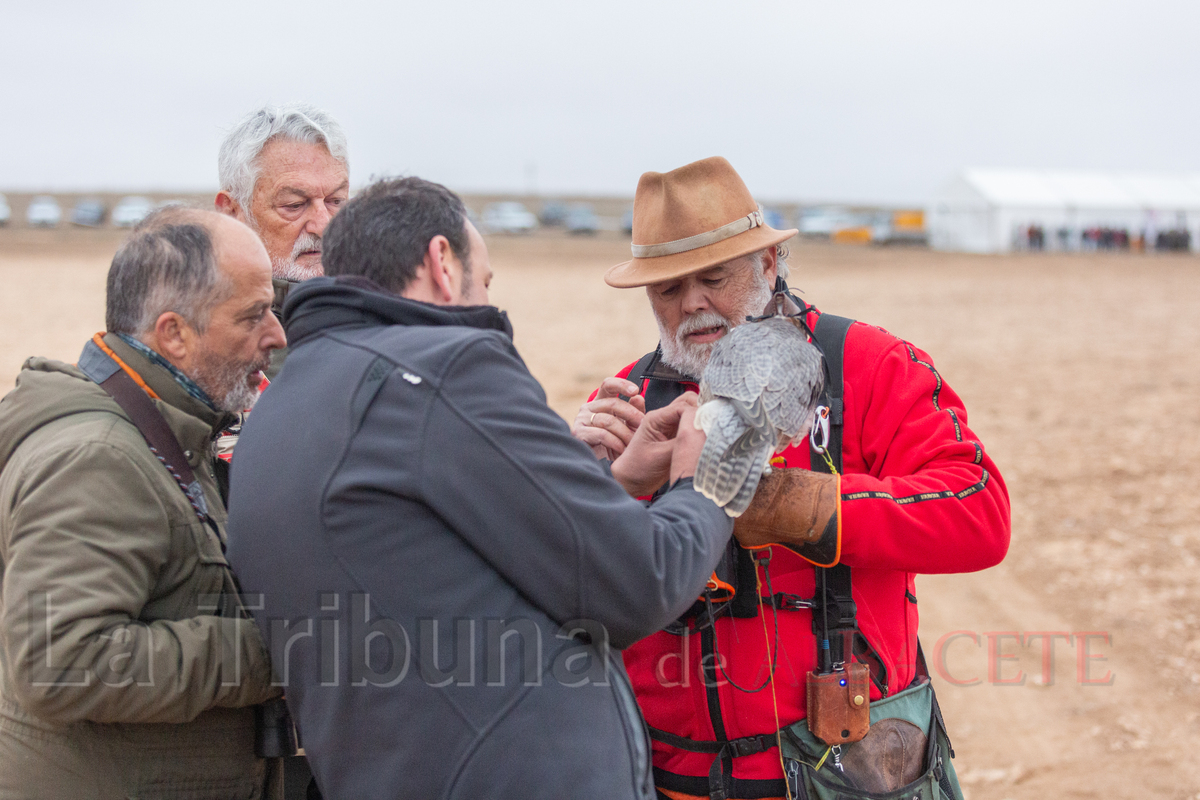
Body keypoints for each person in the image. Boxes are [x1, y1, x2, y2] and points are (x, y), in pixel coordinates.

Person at [224, 177, 736, 800]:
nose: (489, 300)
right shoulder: (444, 370)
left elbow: (429, 566)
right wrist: (708, 473)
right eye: (485, 281)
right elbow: (644, 579)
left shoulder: (277, 415)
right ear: (443, 263)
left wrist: (610, 480)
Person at [574, 157, 1011, 800]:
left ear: (769, 264)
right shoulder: (628, 403)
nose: (692, 302)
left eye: (714, 276)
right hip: (668, 781)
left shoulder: (866, 364)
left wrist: (799, 506)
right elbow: (567, 591)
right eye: (668, 288)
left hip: (850, 776)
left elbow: (980, 515)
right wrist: (595, 483)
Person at [0, 207, 287, 798]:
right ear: (174, 334)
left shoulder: (169, 427)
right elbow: (61, 663)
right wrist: (275, 651)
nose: (276, 335)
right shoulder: (99, 457)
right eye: (254, 315)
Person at [216, 103, 350, 378]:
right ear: (231, 212)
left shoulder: (389, 315)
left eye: (336, 201)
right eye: (294, 204)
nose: (323, 225)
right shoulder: (199, 344)